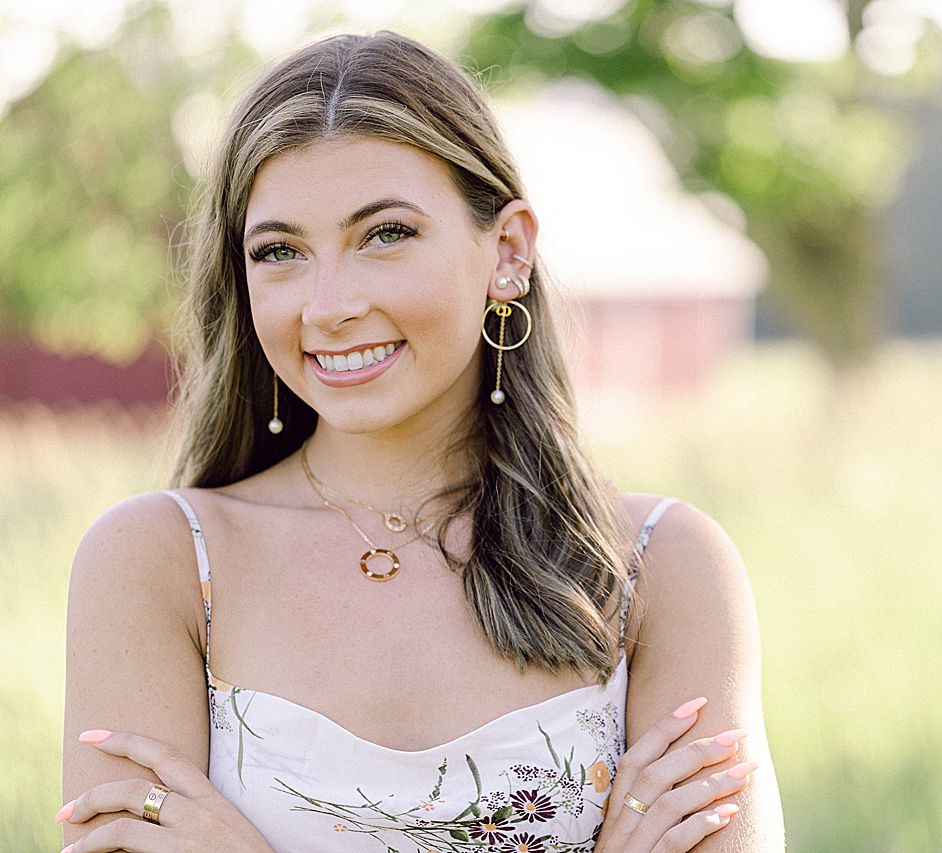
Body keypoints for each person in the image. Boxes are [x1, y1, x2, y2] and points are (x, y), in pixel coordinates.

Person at [57, 30, 784, 853]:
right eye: (281, 251)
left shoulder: (662, 566)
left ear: (507, 252)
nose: (327, 305)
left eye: (385, 234)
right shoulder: (160, 563)